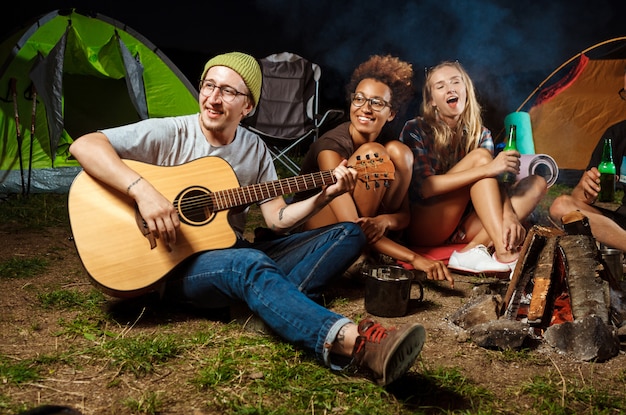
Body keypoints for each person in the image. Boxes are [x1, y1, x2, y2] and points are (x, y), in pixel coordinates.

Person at [68, 51, 426, 386]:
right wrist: (143, 192)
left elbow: (278, 219)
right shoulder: (171, 131)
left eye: (227, 91)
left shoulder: (254, 149)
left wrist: (325, 195)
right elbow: (85, 145)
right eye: (209, 86)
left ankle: (264, 308)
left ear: (248, 105)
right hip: (173, 267)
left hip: (231, 252)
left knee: (348, 233)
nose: (213, 98)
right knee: (248, 263)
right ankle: (355, 344)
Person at [297, 55, 453, 286]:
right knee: (373, 154)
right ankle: (358, 256)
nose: (365, 108)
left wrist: (384, 222)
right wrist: (415, 258)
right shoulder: (330, 148)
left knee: (399, 151)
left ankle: (368, 253)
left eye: (377, 102)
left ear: (391, 113)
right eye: (359, 99)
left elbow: (404, 216)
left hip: (362, 226)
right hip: (317, 229)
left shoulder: (388, 144)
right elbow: (351, 224)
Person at [400, 60, 548, 275]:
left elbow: (495, 180)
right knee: (482, 158)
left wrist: (509, 215)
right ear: (432, 100)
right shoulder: (416, 128)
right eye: (440, 86)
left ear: (466, 89)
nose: (450, 88)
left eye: (455, 82)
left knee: (537, 182)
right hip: (427, 224)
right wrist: (487, 168)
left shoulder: (481, 133)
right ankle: (505, 252)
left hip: (466, 226)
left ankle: (471, 250)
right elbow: (425, 187)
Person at [549, 69, 626, 251]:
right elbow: (578, 198)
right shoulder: (616, 135)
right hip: (622, 223)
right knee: (561, 206)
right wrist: (586, 190)